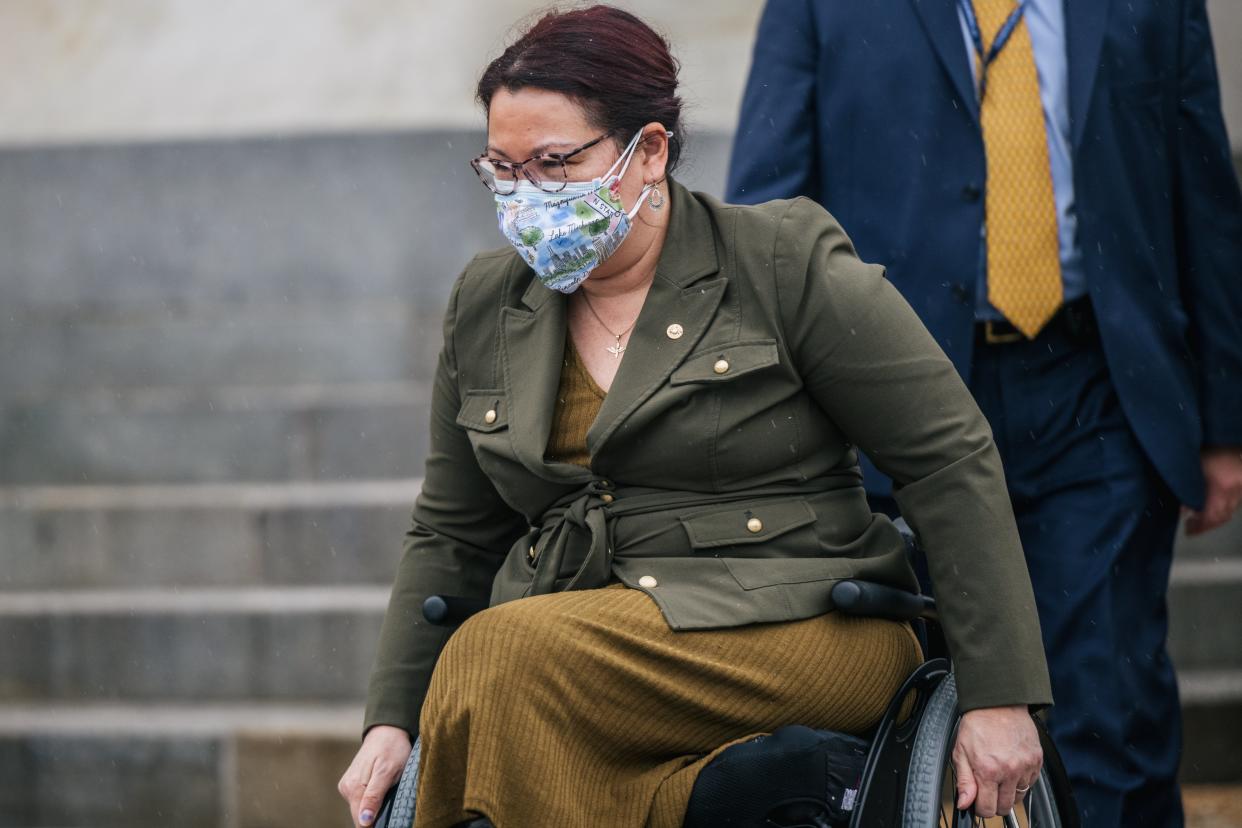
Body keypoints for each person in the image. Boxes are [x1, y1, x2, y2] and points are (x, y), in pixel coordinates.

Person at [339, 6, 1054, 827]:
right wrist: (393, 718)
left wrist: (1000, 694)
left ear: (649, 151)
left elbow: (945, 457)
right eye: (501, 168)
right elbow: (452, 533)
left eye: (552, 164)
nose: (523, 194)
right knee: (516, 673)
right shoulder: (487, 302)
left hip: (801, 620)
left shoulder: (779, 259)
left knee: (502, 657)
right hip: (585, 632)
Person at [726, 1, 1242, 825]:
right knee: (908, 711)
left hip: (1096, 386)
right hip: (890, 397)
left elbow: (1205, 189)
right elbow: (764, 206)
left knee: (1099, 706)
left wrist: (1223, 421)